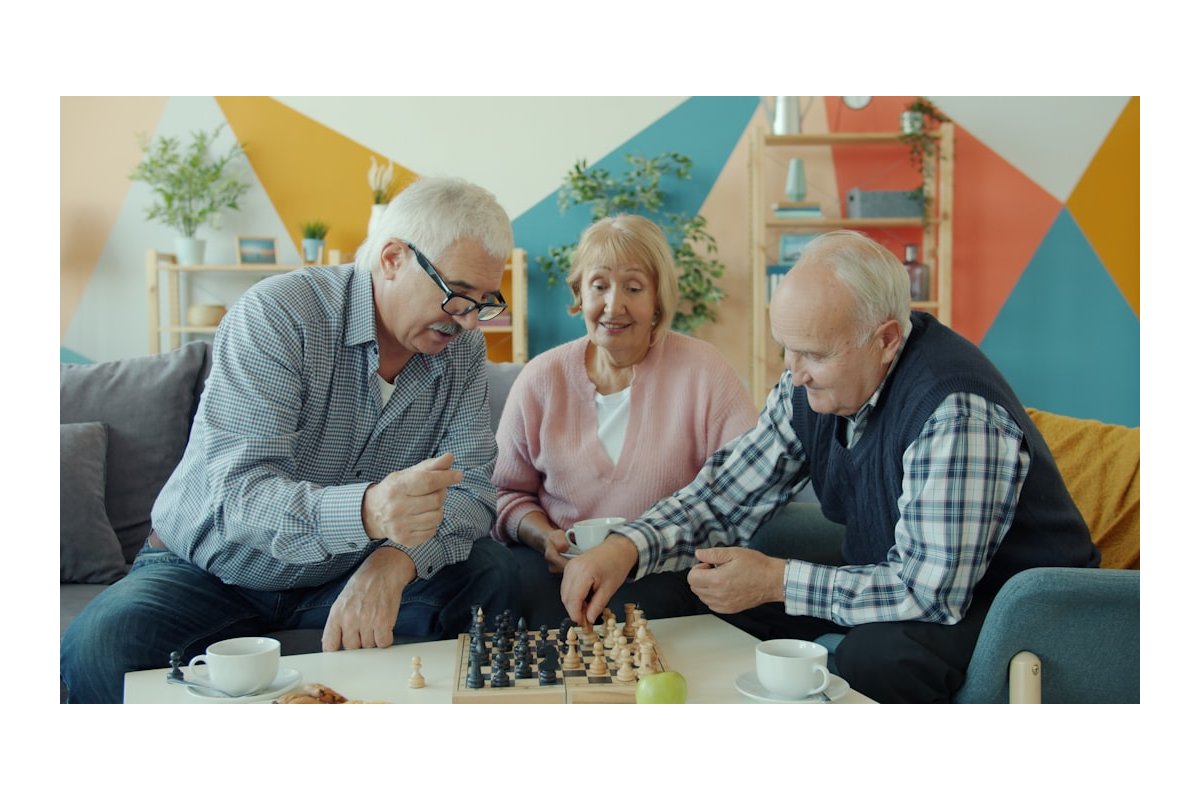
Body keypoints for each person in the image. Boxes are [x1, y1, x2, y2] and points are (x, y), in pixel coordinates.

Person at [560, 229, 1099, 703]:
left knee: (878, 658)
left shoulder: (954, 410)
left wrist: (778, 581)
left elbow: (929, 593)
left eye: (813, 355)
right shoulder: (811, 385)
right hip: (903, 586)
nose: (794, 375)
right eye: (785, 351)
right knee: (685, 589)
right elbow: (725, 493)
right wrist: (626, 546)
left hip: (1009, 605)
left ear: (886, 339)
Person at [61, 176, 521, 703]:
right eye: (457, 295)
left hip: (346, 570)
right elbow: (240, 496)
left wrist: (394, 562)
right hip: (212, 570)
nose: (466, 320)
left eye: (483, 302)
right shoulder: (281, 316)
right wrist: (369, 511)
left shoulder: (462, 351)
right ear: (393, 258)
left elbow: (474, 492)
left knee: (493, 575)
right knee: (99, 646)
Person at [490, 214, 757, 625]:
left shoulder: (704, 370)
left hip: (668, 571)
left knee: (628, 611)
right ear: (579, 292)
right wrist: (543, 536)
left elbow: (744, 490)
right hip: (559, 571)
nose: (614, 306)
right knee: (506, 590)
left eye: (634, 288)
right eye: (599, 286)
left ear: (658, 301)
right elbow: (505, 493)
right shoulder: (542, 378)